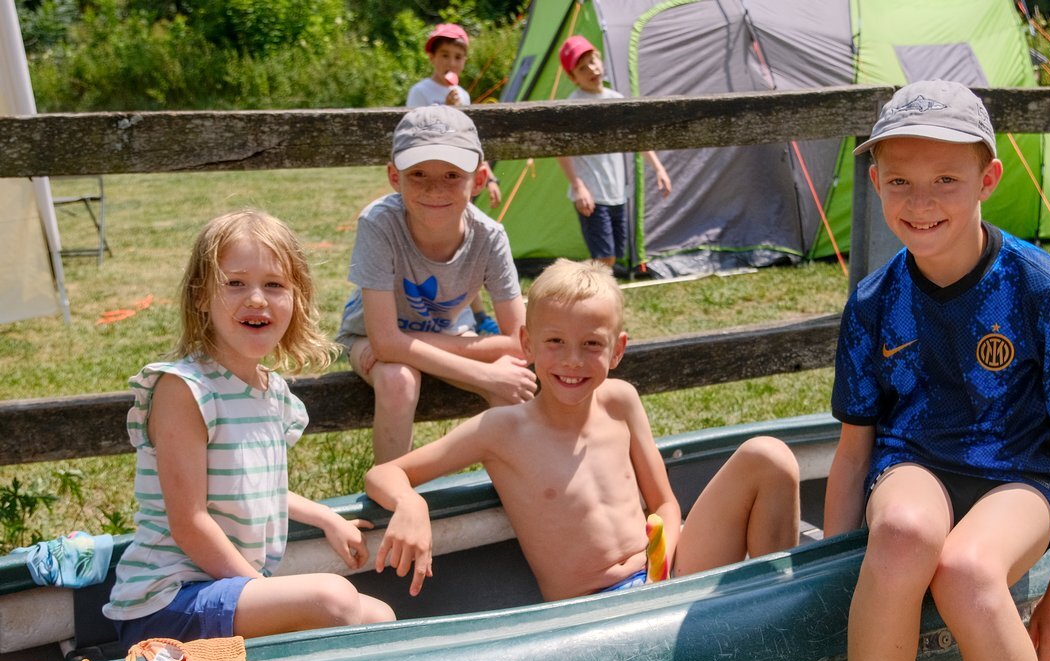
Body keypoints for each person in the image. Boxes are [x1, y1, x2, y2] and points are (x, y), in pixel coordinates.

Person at [825, 81, 1050, 661]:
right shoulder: (872, 302)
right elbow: (855, 449)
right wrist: (835, 575)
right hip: (913, 462)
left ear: (988, 179)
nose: (920, 203)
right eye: (900, 182)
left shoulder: (1046, 290)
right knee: (902, 530)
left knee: (968, 573)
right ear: (876, 182)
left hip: (1020, 475)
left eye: (945, 180)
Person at [364, 259, 802, 601]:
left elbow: (665, 503)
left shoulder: (620, 401)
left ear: (617, 349)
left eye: (592, 344)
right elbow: (383, 474)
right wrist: (410, 504)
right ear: (527, 344)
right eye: (555, 342)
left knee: (770, 455)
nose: (572, 360)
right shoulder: (500, 430)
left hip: (666, 571)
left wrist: (661, 561)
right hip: (596, 608)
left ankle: (773, 606)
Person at [103, 210, 396, 647]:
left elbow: (257, 485)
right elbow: (189, 521)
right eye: (235, 283)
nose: (257, 299)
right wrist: (257, 587)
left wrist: (326, 518)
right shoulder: (184, 389)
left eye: (274, 285)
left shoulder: (271, 392)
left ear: (296, 298)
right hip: (167, 603)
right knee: (330, 597)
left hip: (227, 592)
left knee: (381, 613)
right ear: (201, 296)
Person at [336, 105, 537, 464]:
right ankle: (389, 491)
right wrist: (484, 374)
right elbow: (382, 340)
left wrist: (403, 346)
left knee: (515, 381)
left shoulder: (490, 237)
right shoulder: (380, 224)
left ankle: (513, 493)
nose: (434, 188)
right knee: (399, 381)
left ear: (478, 180)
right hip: (365, 338)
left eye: (451, 175)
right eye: (418, 174)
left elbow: (519, 341)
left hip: (445, 333)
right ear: (394, 177)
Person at [555, 35, 672, 278]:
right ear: (572, 77)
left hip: (616, 192)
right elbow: (561, 149)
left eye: (593, 61)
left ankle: (579, 283)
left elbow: (636, 139)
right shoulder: (573, 106)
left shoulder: (615, 100)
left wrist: (659, 169)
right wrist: (578, 187)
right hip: (592, 194)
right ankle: (572, 282)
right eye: (582, 67)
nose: (592, 69)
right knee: (605, 256)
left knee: (612, 255)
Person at [405, 22, 503, 210]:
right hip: (429, 175)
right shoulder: (420, 92)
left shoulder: (463, 95)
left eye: (458, 57)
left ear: (465, 60)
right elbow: (414, 136)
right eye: (444, 55)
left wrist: (490, 179)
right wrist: (446, 112)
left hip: (459, 174)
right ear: (432, 57)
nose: (451, 63)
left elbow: (469, 139)